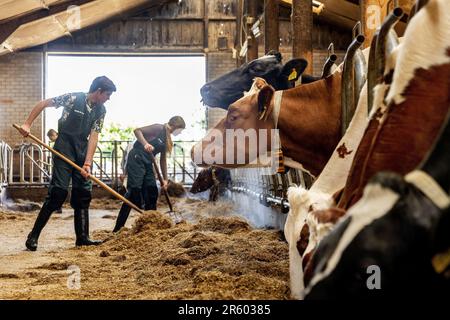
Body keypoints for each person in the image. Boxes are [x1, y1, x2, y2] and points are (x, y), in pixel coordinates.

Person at [19, 76, 116, 251]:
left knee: (83, 193)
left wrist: (87, 163)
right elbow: (43, 103)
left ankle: (83, 238)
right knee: (58, 192)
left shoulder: (101, 110)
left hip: (81, 150)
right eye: (107, 94)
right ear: (99, 91)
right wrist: (27, 124)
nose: (108, 98)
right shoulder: (73, 98)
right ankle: (33, 236)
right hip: (64, 148)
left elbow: (94, 136)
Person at [113, 116, 185, 232]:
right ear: (176, 126)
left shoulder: (167, 139)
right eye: (180, 130)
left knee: (152, 191)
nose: (180, 132)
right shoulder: (158, 128)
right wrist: (145, 143)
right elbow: (137, 131)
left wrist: (165, 180)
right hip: (137, 158)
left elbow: (163, 160)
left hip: (148, 162)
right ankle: (117, 228)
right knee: (133, 192)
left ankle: (150, 227)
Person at [46, 129, 63, 214]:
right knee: (55, 187)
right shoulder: (58, 143)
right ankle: (57, 206)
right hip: (58, 168)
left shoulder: (60, 143)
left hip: (60, 169)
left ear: (53, 135)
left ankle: (58, 207)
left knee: (57, 188)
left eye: (50, 137)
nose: (50, 139)